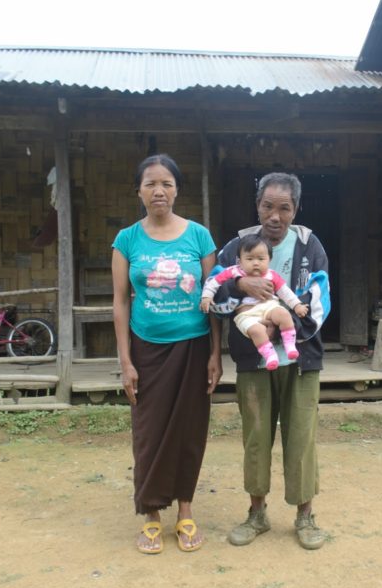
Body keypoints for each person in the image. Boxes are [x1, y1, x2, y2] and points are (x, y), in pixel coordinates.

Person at [209, 172, 330, 550]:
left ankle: (305, 516)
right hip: (253, 360)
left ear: (295, 209)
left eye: (284, 208)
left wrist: (284, 324)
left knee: (301, 438)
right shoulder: (236, 247)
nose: (275, 216)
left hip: (301, 358)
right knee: (256, 438)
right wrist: (239, 285)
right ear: (257, 205)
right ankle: (257, 513)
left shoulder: (310, 247)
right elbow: (214, 299)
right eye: (267, 206)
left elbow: (320, 300)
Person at [111, 153, 222, 554]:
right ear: (139, 190)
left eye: (167, 184)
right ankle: (152, 514)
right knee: (149, 431)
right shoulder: (126, 240)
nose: (159, 191)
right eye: (150, 184)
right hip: (146, 349)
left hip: (193, 348)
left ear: (177, 189)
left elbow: (213, 297)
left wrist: (216, 353)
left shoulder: (199, 236)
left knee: (190, 430)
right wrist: (125, 361)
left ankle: (186, 510)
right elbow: (121, 302)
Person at [199, 234, 309, 370]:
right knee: (257, 332)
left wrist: (297, 305)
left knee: (284, 315)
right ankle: (270, 355)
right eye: (249, 259)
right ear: (239, 261)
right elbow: (214, 282)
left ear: (269, 260)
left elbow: (285, 292)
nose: (255, 263)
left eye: (261, 259)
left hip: (269, 307)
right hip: (246, 314)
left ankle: (290, 344)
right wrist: (207, 297)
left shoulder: (271, 275)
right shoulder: (233, 272)